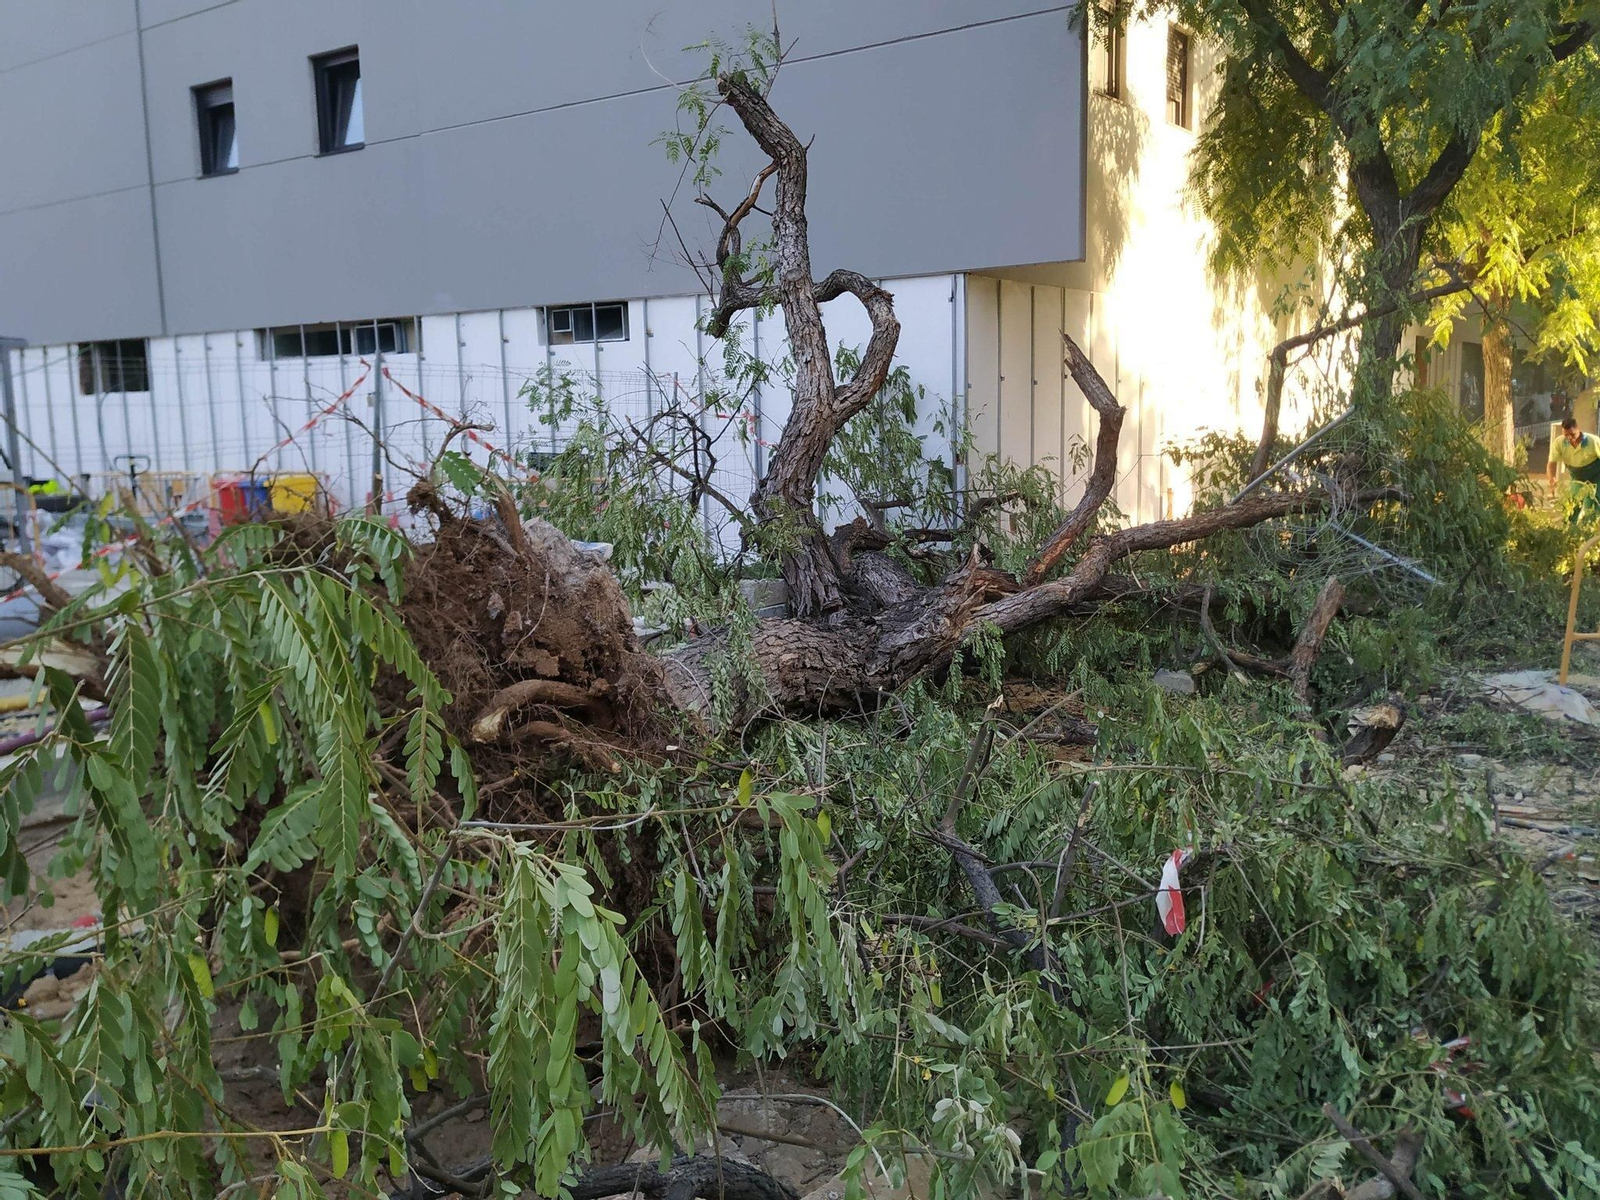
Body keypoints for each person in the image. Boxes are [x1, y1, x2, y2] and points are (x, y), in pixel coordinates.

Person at [1548, 415, 1600, 522]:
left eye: (1572, 434)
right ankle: (1570, 532)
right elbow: (1552, 463)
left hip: (1596, 477)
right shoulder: (1559, 443)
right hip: (1577, 478)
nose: (1570, 438)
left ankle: (1590, 533)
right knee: (1571, 506)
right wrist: (1552, 478)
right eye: (1566, 435)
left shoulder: (1593, 441)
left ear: (1578, 429)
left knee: (1592, 506)